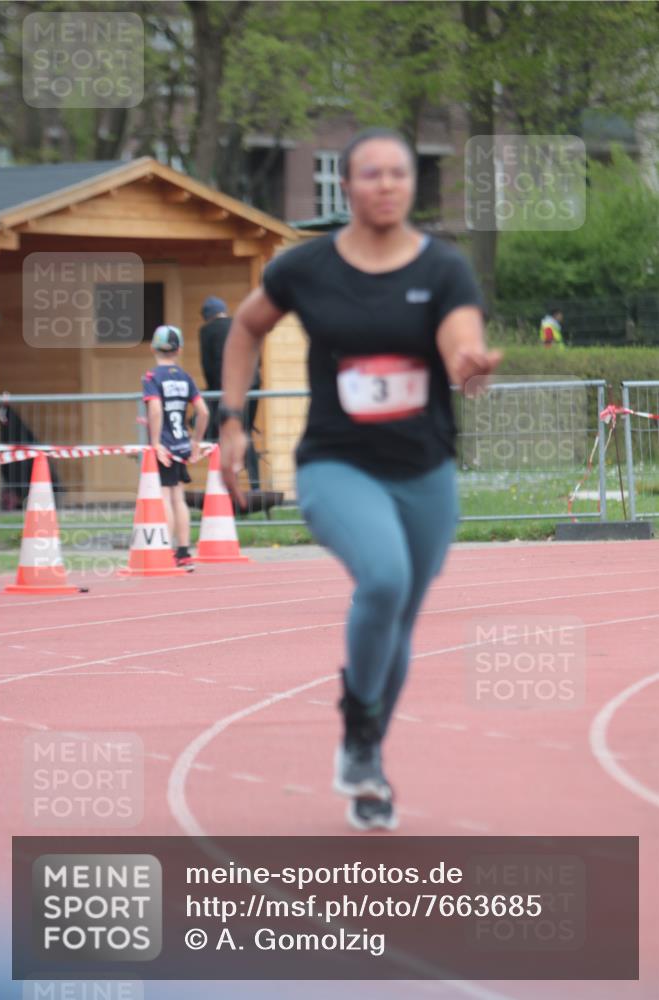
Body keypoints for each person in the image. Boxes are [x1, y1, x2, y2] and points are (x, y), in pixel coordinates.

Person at [219, 127, 502, 830]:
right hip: (335, 464)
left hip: (424, 469)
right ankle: (362, 735)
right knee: (382, 578)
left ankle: (361, 743)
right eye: (370, 174)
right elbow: (245, 328)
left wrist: (466, 364)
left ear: (411, 185)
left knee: (400, 618)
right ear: (345, 187)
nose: (385, 185)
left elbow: (456, 336)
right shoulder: (305, 268)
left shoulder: (442, 269)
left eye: (397, 174)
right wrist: (229, 418)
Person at [142, 324, 209, 570]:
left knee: (164, 497)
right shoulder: (185, 377)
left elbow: (157, 409)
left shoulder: (151, 377)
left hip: (166, 446)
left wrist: (156, 441)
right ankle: (183, 551)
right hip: (182, 442)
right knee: (178, 498)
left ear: (152, 348)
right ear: (179, 350)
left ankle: (167, 551)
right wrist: (196, 442)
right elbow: (203, 412)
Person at [199, 295, 261, 489]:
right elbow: (256, 355)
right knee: (246, 431)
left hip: (226, 388)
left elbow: (208, 365)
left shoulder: (207, 330)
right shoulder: (238, 324)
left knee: (222, 433)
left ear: (207, 316)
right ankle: (255, 485)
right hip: (253, 385)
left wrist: (212, 392)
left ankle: (223, 486)